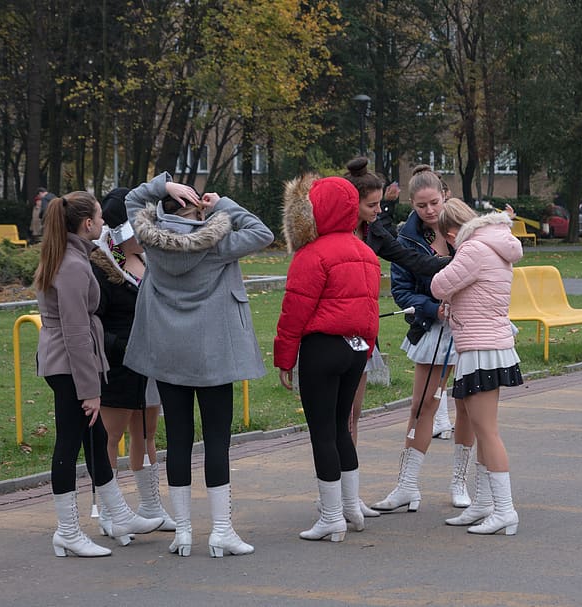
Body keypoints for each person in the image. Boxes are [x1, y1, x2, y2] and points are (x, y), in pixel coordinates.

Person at [124, 172, 274, 557]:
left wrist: (164, 186)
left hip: (168, 356)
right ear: (196, 211)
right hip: (213, 357)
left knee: (176, 440)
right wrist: (221, 204)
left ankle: (184, 533)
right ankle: (221, 531)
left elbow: (130, 201)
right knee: (217, 441)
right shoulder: (217, 244)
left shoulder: (149, 241)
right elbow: (262, 232)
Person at [35, 192, 163, 558]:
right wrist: (90, 388)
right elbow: (76, 330)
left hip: (87, 359)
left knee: (99, 437)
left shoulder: (81, 255)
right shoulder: (87, 261)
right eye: (102, 220)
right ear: (89, 224)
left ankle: (120, 512)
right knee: (76, 443)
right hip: (83, 361)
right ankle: (69, 529)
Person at [341, 158, 466, 510]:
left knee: (467, 408)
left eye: (434, 203)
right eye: (421, 205)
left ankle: (464, 485)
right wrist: (433, 306)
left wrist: (468, 263)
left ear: (445, 195)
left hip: (470, 328)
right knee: (421, 405)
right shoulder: (404, 235)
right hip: (431, 328)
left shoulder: (466, 227)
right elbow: (405, 286)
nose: (429, 210)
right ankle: (406, 486)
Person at [274, 175, 380, 542]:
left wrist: (284, 358)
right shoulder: (365, 251)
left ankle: (331, 516)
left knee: (321, 432)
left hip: (322, 348)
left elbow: (294, 311)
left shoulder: (312, 254)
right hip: (355, 351)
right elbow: (370, 309)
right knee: (341, 427)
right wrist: (366, 346)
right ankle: (351, 506)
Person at [431, 197, 524, 535]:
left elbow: (438, 285)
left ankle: (505, 509)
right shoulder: (496, 244)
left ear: (452, 232)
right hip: (489, 344)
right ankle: (485, 505)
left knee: (487, 432)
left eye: (445, 237)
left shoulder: (473, 249)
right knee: (481, 427)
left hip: (481, 346)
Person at [90, 187, 175, 539]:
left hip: (152, 362)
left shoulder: (151, 260)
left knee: (147, 433)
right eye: (140, 232)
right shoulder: (102, 265)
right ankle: (110, 510)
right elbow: (95, 319)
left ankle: (151, 505)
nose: (148, 237)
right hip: (118, 364)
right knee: (110, 436)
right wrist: (120, 346)